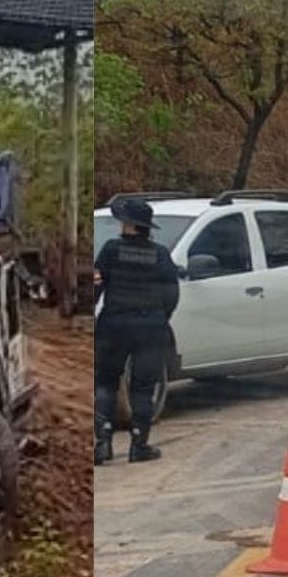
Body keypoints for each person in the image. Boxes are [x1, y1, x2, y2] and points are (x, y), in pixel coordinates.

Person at [93, 196, 178, 464]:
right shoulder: (161, 255)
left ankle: (102, 443)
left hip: (114, 325)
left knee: (105, 382)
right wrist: (158, 317)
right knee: (142, 388)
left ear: (129, 225)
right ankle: (138, 445)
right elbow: (172, 295)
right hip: (150, 328)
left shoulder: (110, 250)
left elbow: (96, 286)